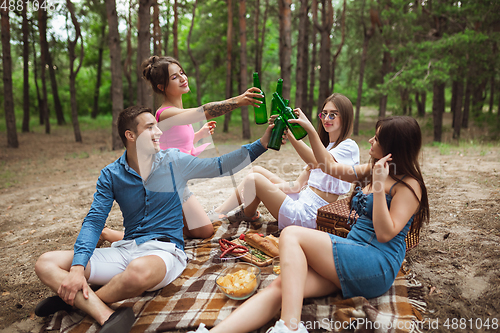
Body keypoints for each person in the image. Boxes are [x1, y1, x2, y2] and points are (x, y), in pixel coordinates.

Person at [34, 106, 272, 333]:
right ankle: (104, 314)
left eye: (157, 126)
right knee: (46, 262)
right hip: (125, 250)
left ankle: (73, 302)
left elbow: (219, 166)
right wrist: (77, 269)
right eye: (150, 127)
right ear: (131, 135)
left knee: (137, 271)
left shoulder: (174, 161)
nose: (158, 132)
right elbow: (95, 220)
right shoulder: (110, 174)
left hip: (164, 252)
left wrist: (261, 144)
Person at [189, 115, 429, 333]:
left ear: (394, 149)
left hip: (376, 264)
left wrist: (377, 186)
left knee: (292, 234)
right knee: (284, 286)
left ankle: (290, 328)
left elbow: (386, 234)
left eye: (376, 138)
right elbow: (330, 167)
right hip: (354, 252)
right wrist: (310, 132)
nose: (370, 140)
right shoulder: (374, 170)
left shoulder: (408, 186)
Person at [99, 55, 264, 243]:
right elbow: (202, 111)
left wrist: (197, 136)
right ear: (161, 86)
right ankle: (106, 233)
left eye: (182, 73)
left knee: (195, 230)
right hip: (164, 185)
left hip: (175, 180)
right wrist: (239, 100)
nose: (183, 78)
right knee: (201, 231)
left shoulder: (177, 112)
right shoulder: (165, 113)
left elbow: (173, 144)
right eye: (174, 77)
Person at [211, 93, 359, 230]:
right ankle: (227, 213)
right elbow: (296, 186)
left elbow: (320, 163)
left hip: (310, 214)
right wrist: (271, 188)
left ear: (345, 117)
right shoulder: (325, 147)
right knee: (257, 171)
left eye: (333, 115)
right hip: (301, 198)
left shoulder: (349, 147)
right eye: (324, 114)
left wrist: (305, 130)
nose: (326, 119)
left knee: (254, 180)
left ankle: (239, 214)